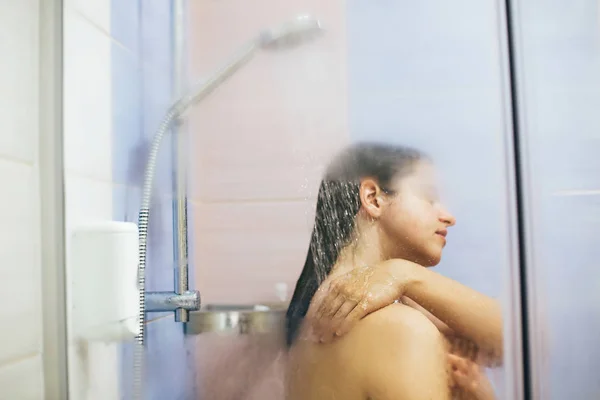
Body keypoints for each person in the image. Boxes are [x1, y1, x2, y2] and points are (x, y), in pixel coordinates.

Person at [285, 142, 502, 400]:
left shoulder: (306, 325)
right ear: (373, 198)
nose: (449, 216)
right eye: (429, 197)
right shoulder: (403, 330)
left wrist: (403, 275)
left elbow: (513, 338)